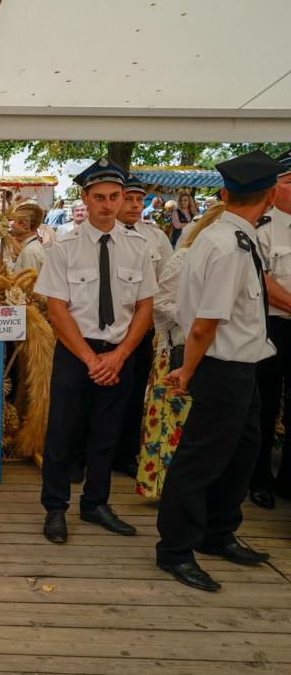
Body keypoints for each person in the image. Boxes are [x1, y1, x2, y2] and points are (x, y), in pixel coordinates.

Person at [155, 150, 283, 592]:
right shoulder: (227, 245)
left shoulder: (235, 236)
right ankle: (175, 549)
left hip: (243, 367)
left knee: (241, 454)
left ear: (226, 193)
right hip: (219, 367)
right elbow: (206, 323)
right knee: (201, 460)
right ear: (269, 197)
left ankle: (217, 532)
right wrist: (188, 371)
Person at [34, 157, 157, 545]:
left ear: (123, 199)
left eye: (115, 197)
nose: (108, 205)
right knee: (62, 433)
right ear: (84, 198)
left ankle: (96, 503)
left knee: (107, 433)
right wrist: (92, 360)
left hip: (121, 354)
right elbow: (56, 310)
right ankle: (56, 508)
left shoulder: (139, 246)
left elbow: (145, 308)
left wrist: (117, 356)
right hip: (76, 352)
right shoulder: (64, 247)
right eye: (99, 197)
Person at [135, 203, 227, 498]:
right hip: (180, 352)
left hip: (213, 353)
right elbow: (159, 306)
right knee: (174, 423)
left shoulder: (229, 259)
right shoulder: (185, 257)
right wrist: (202, 313)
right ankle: (167, 487)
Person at [112, 173, 174, 477]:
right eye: (129, 198)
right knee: (94, 394)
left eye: (140, 199)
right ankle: (80, 454)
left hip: (141, 330)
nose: (136, 205)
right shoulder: (96, 234)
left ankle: (124, 454)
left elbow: (168, 283)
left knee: (134, 393)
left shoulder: (156, 237)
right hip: (103, 329)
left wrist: (154, 324)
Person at [251, 151, 291, 508]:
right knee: (265, 404)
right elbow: (262, 280)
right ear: (273, 189)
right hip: (273, 326)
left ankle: (287, 479)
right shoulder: (261, 229)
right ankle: (259, 477)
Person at [7, 202, 47, 274]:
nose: (12, 225)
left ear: (23, 225)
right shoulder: (30, 247)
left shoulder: (30, 251)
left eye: (15, 221)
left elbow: (28, 283)